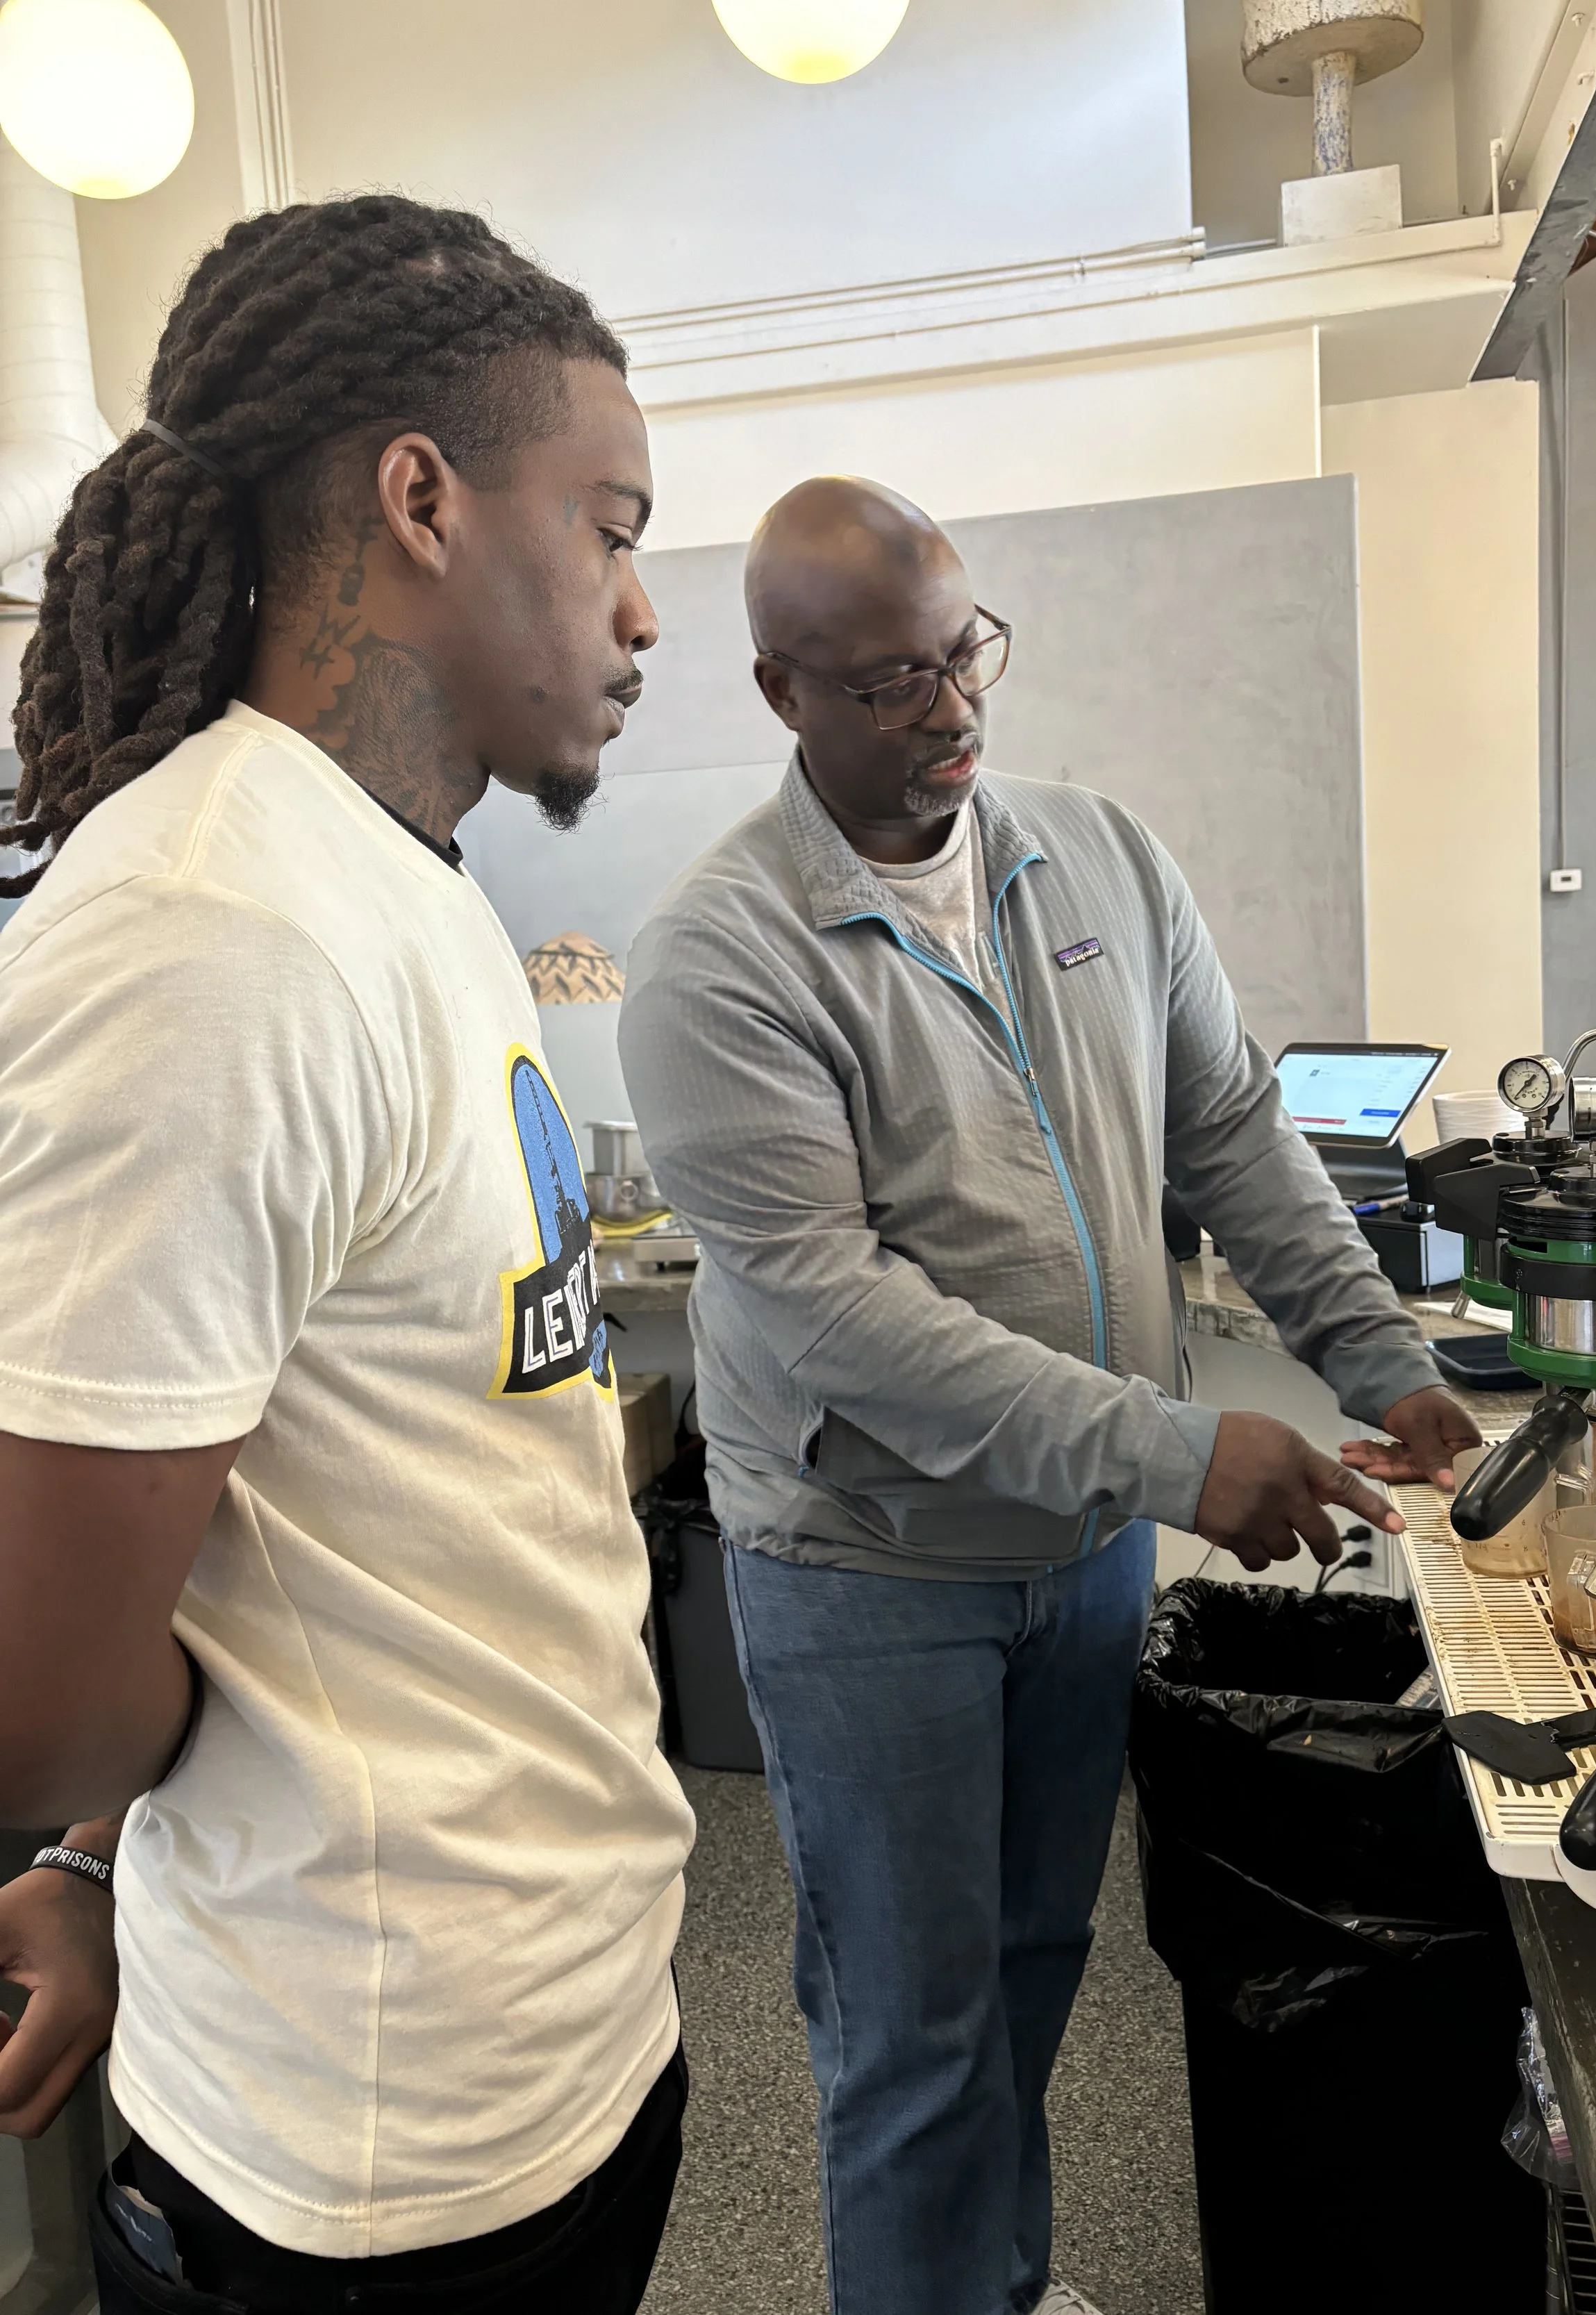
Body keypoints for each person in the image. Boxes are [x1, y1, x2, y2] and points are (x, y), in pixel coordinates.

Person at [618, 476, 1481, 2315]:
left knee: (1025, 1967)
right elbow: (844, 1319)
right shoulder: (722, 956)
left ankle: (992, 2289)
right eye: (885, 684)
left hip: (1075, 1553)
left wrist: (1381, 1359)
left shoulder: (1090, 854)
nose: (947, 711)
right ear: (780, 690)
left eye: (963, 657)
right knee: (912, 2036)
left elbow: (1233, 1131)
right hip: (869, 1570)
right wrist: (1176, 1450)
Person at [0, 195, 693, 2312]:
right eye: (610, 522)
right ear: (420, 499)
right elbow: (41, 1695)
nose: (643, 608)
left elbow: (305, 1488)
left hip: (556, 2023)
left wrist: (90, 1840)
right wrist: (74, 1824)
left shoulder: (400, 883)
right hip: (375, 2142)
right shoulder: (207, 932)